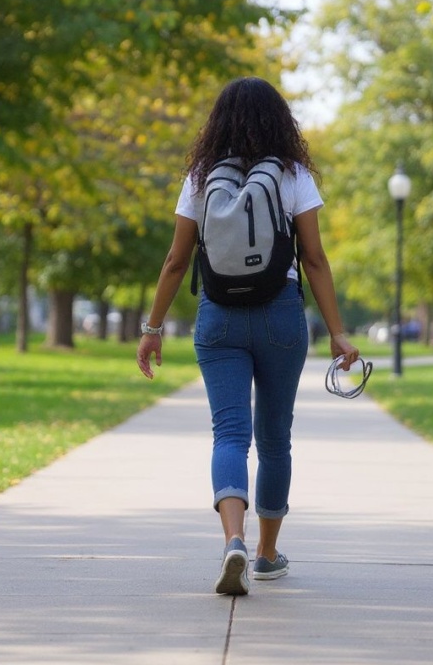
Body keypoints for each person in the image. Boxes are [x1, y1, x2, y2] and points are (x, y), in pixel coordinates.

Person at [136, 76, 359, 596]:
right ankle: (264, 554)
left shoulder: (200, 177)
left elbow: (175, 262)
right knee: (275, 439)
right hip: (281, 314)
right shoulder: (291, 173)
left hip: (218, 317)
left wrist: (151, 329)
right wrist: (338, 332)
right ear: (281, 121)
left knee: (229, 435)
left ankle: (232, 539)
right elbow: (315, 258)